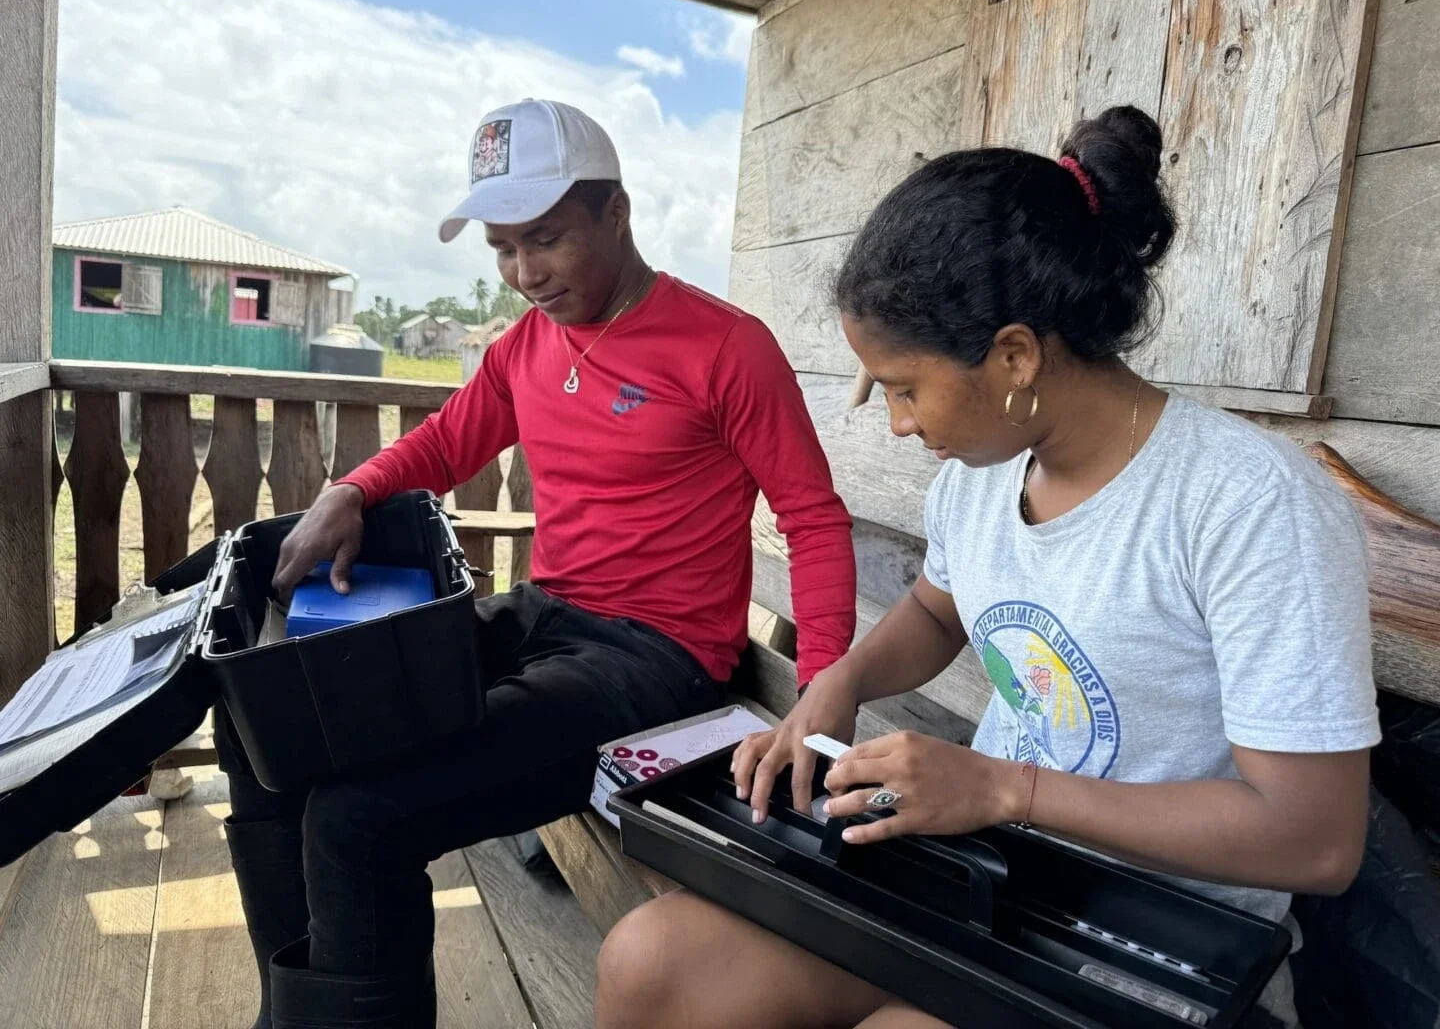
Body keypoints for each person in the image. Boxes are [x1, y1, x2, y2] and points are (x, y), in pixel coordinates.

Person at [593, 106, 1379, 1029]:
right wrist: (836, 685)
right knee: (650, 963)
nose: (896, 423)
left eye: (904, 388)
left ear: (1013, 355)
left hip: (1144, 936)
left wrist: (1008, 788)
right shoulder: (986, 476)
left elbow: (1316, 841)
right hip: (980, 867)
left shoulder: (1246, 504)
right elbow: (936, 613)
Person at [216, 98, 858, 1029]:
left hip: (652, 662)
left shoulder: (726, 347)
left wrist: (824, 688)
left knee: (359, 820)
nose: (524, 273)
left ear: (617, 212)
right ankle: (297, 1010)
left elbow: (814, 519)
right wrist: (352, 491)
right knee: (274, 723)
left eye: (545, 239)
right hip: (538, 618)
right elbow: (442, 444)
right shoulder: (524, 347)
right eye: (503, 249)